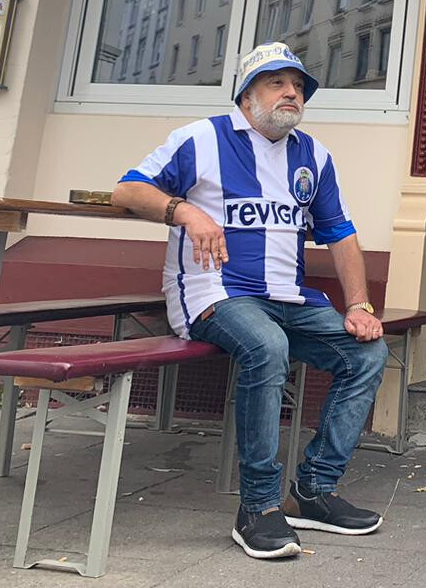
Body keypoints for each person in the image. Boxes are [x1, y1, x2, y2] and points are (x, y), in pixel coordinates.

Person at [112, 41, 389, 560]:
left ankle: (312, 492)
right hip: (213, 292)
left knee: (367, 353)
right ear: (246, 94)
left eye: (299, 86)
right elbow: (126, 191)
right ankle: (258, 507)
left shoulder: (314, 155)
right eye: (277, 83)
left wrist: (358, 305)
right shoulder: (201, 138)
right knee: (267, 347)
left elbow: (341, 235)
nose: (292, 93)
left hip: (291, 296)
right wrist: (187, 213)